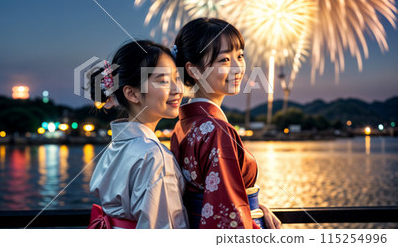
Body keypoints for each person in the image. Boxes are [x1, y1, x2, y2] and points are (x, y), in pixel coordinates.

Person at [170, 18, 281, 229]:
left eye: (239, 56)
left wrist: (256, 208)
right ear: (193, 71)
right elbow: (225, 217)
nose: (238, 68)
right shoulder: (217, 131)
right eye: (224, 61)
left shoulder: (182, 124)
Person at [88, 40, 188, 229]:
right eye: (164, 81)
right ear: (132, 94)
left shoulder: (118, 145)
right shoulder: (154, 155)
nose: (177, 89)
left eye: (177, 78)